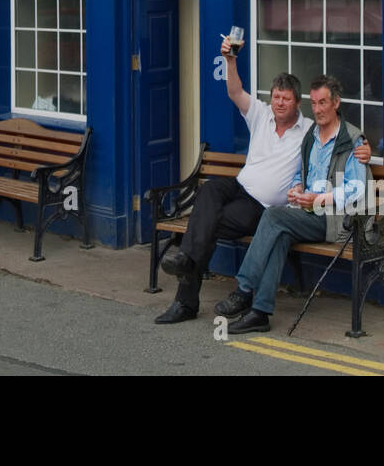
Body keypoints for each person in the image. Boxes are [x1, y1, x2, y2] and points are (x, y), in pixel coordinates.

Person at [154, 35, 368, 324]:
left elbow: (356, 180)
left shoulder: (314, 131)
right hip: (251, 193)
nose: (280, 103)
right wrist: (230, 59)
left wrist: (362, 151)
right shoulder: (280, 122)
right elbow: (235, 91)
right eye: (276, 97)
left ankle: (221, 293)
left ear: (298, 104)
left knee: (214, 223)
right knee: (210, 192)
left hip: (281, 209)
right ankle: (257, 311)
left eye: (287, 99)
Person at [214, 74, 372, 334]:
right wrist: (298, 188)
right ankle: (260, 312)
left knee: (274, 217)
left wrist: (319, 199)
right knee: (280, 235)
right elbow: (301, 174)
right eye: (315, 103)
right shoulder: (310, 136)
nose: (318, 109)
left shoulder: (352, 140)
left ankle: (243, 289)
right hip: (307, 212)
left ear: (336, 103)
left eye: (324, 103)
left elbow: (358, 188)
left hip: (336, 219)